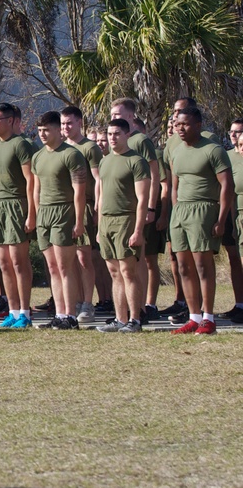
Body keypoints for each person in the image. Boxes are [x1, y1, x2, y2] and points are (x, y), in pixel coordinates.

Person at [169, 106, 233, 335]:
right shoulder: (176, 151)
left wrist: (221, 219)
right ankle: (194, 317)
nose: (180, 128)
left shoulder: (213, 150)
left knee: (203, 266)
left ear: (198, 125)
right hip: (180, 213)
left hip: (204, 209)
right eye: (177, 124)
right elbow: (175, 187)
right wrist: (176, 212)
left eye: (185, 124)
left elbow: (227, 185)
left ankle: (208, 318)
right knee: (183, 266)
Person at [31, 111, 88, 330]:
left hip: (64, 212)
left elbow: (79, 191)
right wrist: (36, 216)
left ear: (58, 130)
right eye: (39, 131)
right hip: (44, 214)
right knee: (53, 268)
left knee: (65, 267)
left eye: (46, 130)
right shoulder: (37, 156)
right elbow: (36, 190)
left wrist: (79, 220)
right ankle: (59, 313)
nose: (42, 134)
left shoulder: (71, 155)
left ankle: (70, 316)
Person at [109, 99, 163, 320]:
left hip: (137, 210)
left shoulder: (140, 141)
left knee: (138, 260)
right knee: (122, 265)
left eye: (118, 114)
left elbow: (154, 175)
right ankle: (125, 311)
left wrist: (151, 207)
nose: (114, 118)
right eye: (112, 115)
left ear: (131, 117)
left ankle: (139, 308)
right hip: (117, 213)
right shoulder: (116, 143)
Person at [95, 119, 150, 333]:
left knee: (128, 271)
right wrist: (99, 228)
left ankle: (135, 319)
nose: (112, 137)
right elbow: (100, 198)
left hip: (126, 219)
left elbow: (142, 199)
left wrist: (138, 231)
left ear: (127, 135)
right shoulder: (105, 161)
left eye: (117, 133)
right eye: (109, 133)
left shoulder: (136, 161)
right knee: (114, 272)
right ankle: (120, 318)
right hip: (106, 221)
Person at [0, 103, 36, 328]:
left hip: (18, 205)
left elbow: (31, 181)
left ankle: (25, 312)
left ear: (11, 120)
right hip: (0, 209)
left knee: (18, 262)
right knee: (3, 263)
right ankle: (13, 311)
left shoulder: (22, 144)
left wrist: (31, 213)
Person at [60, 106, 104, 324]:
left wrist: (97, 209)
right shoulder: (61, 148)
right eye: (62, 124)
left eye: (69, 123)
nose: (66, 127)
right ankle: (75, 301)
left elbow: (99, 180)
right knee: (69, 259)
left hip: (85, 206)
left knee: (84, 257)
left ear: (79, 123)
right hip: (64, 208)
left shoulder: (90, 148)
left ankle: (87, 302)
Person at [224, 119, 243, 323]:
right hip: (231, 214)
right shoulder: (227, 156)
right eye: (231, 131)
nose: (234, 135)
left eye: (238, 131)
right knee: (234, 259)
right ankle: (239, 304)